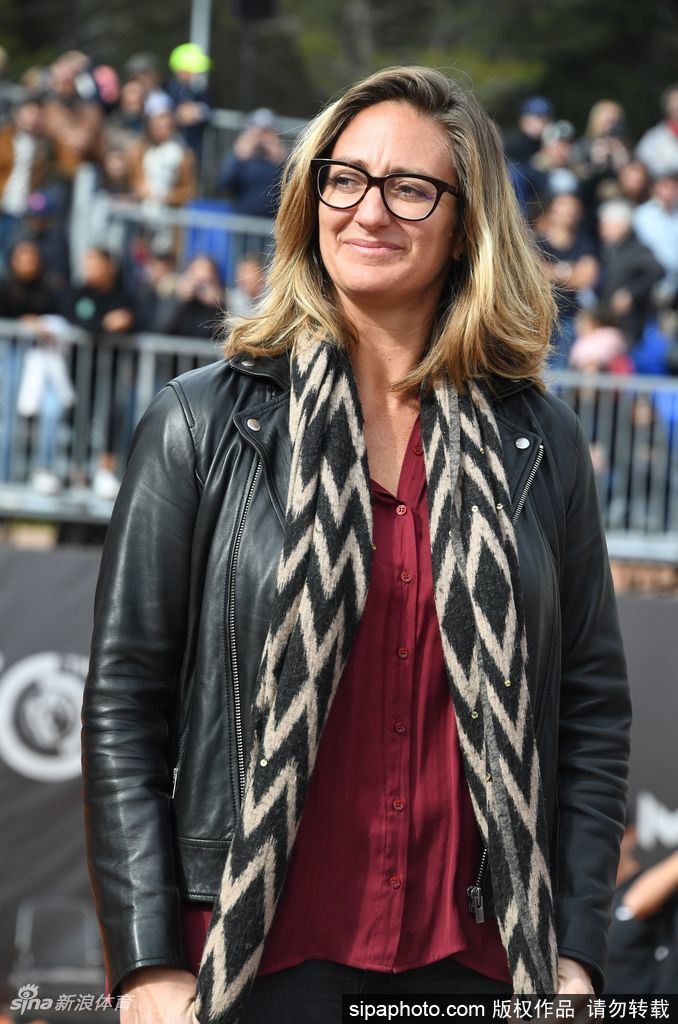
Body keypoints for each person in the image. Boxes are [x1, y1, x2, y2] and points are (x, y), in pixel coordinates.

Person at [82, 67, 631, 1024]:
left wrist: (577, 950)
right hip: (249, 963)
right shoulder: (200, 423)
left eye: (409, 187)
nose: (368, 210)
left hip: (488, 965)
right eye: (344, 178)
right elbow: (125, 700)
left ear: (468, 223)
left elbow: (592, 712)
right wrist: (145, 963)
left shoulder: (541, 442)